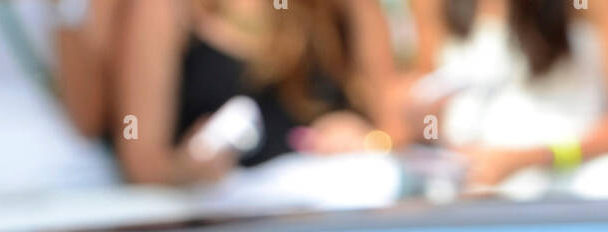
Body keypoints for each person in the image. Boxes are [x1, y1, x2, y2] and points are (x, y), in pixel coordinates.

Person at [111, 0, 408, 185]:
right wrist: (185, 171)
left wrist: (366, 138)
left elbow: (395, 125)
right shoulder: (162, 8)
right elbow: (142, 163)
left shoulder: (348, 6)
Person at [402, 0, 608, 189]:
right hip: (460, 195)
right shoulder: (433, 6)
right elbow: (421, 102)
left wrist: (534, 158)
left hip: (563, 192)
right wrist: (416, 116)